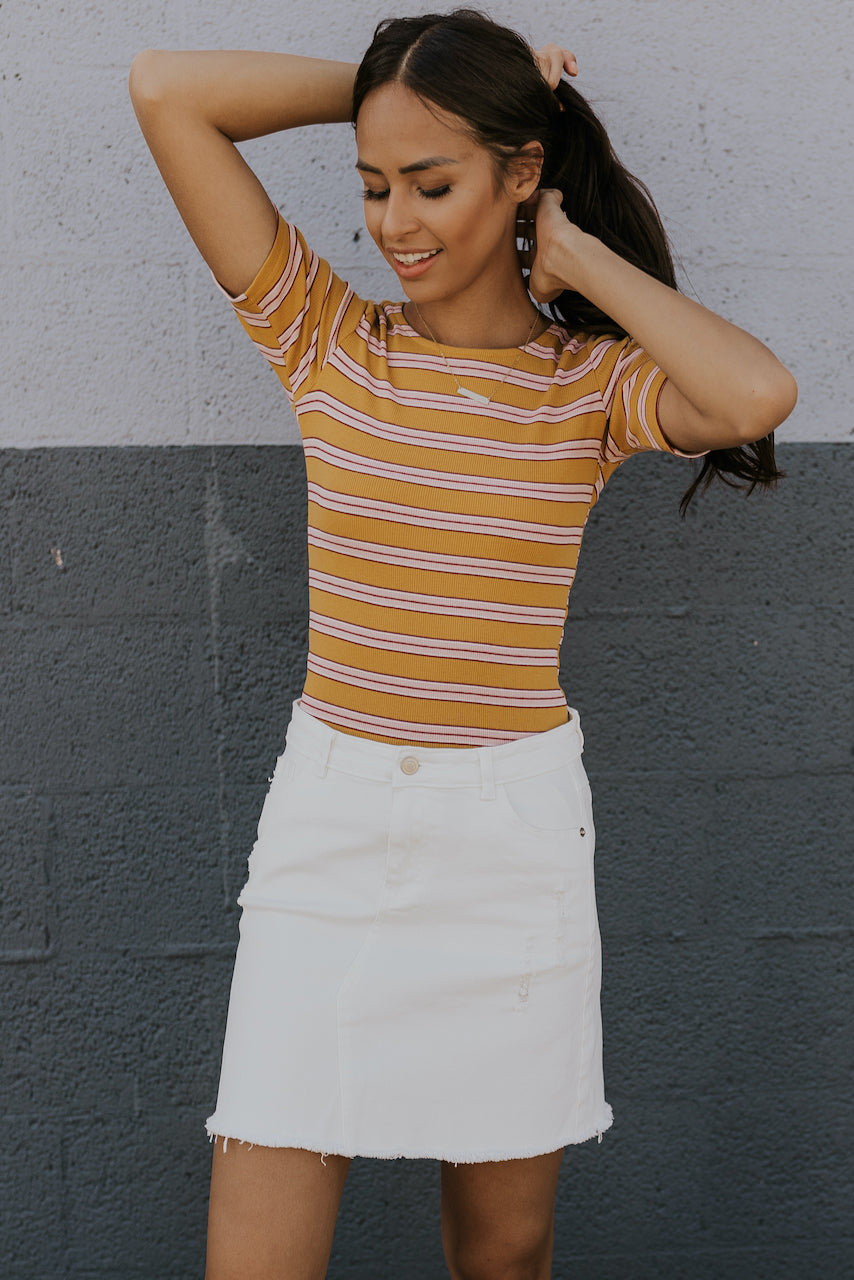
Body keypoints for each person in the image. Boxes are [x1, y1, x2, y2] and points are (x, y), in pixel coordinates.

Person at [129, 11, 797, 1279]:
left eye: (432, 182)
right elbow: (166, 90)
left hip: (509, 843)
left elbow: (754, 396)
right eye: (375, 186)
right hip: (328, 832)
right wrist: (394, 94)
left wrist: (581, 263)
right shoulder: (325, 336)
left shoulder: (587, 387)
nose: (393, 221)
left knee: (506, 1251)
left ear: (521, 174)